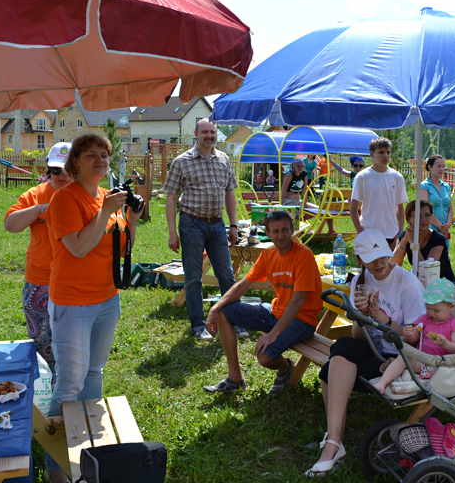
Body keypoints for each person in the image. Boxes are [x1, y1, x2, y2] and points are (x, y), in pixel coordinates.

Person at [43, 133, 140, 482]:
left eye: (104, 155)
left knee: (94, 371)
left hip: (106, 297)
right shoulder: (64, 200)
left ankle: (85, 454)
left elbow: (120, 243)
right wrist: (106, 210)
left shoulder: (104, 196)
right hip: (73, 301)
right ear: (76, 163)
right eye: (91, 155)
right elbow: (80, 247)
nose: (100, 160)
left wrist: (130, 215)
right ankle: (56, 469)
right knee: (70, 383)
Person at [310, 230, 424, 477]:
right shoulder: (359, 282)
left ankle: (332, 443)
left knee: (330, 370)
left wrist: (385, 321)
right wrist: (363, 319)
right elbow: (358, 336)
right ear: (360, 260)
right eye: (372, 259)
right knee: (340, 347)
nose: (380, 263)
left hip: (401, 358)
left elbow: (416, 340)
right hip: (377, 349)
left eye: (383, 255)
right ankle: (334, 440)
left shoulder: (408, 283)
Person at [203, 211, 321, 393]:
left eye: (285, 230)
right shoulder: (268, 255)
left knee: (265, 358)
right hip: (275, 312)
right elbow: (243, 285)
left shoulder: (304, 255)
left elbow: (298, 300)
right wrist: (216, 308)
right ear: (268, 233)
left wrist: (273, 334)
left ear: (292, 231)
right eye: (275, 231)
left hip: (302, 320)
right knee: (224, 312)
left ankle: (285, 367)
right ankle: (234, 378)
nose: (281, 235)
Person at [163, 119, 245, 341]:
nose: (209, 136)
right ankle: (198, 325)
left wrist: (234, 224)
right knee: (193, 277)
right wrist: (172, 232)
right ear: (196, 133)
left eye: (212, 132)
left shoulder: (224, 159)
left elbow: (230, 193)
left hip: (217, 224)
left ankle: (234, 320)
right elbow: (171, 198)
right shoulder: (182, 162)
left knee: (227, 275)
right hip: (191, 224)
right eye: (205, 132)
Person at [3, 142, 73, 380]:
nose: (62, 175)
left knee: (72, 342)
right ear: (48, 170)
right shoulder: (34, 195)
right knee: (42, 340)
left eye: (67, 169)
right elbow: (11, 225)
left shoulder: (86, 193)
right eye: (56, 170)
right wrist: (40, 209)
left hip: (74, 281)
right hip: (39, 280)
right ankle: (46, 383)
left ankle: (68, 385)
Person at [373, 278, 455, 394]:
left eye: (436, 311)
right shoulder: (425, 320)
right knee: (403, 357)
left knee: (409, 359)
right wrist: (409, 334)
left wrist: (445, 343)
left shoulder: (454, 324)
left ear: (451, 307)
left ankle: (415, 383)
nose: (431, 313)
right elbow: (414, 339)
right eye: (428, 309)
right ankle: (382, 383)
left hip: (442, 366)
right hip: (422, 361)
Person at [350, 138, 407, 248]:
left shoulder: (397, 177)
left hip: (392, 234)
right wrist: (361, 233)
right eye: (381, 152)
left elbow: (400, 208)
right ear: (372, 154)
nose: (386, 156)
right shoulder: (362, 177)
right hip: (369, 233)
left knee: (390, 265)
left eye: (388, 152)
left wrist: (399, 233)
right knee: (369, 265)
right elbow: (353, 208)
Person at [391, 200, 455, 282]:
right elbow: (392, 265)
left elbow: (427, 273)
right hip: (423, 285)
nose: (423, 219)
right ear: (408, 219)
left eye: (427, 215)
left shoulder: (438, 239)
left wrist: (414, 244)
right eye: (418, 216)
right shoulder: (405, 235)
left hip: (445, 285)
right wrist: (404, 241)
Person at [419, 154, 452, 242]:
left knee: (444, 255)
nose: (441, 169)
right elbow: (425, 210)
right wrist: (441, 227)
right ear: (430, 167)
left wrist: (448, 224)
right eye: (438, 166)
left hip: (445, 231)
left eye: (443, 166)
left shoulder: (446, 186)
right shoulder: (424, 186)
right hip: (429, 231)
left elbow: (450, 208)